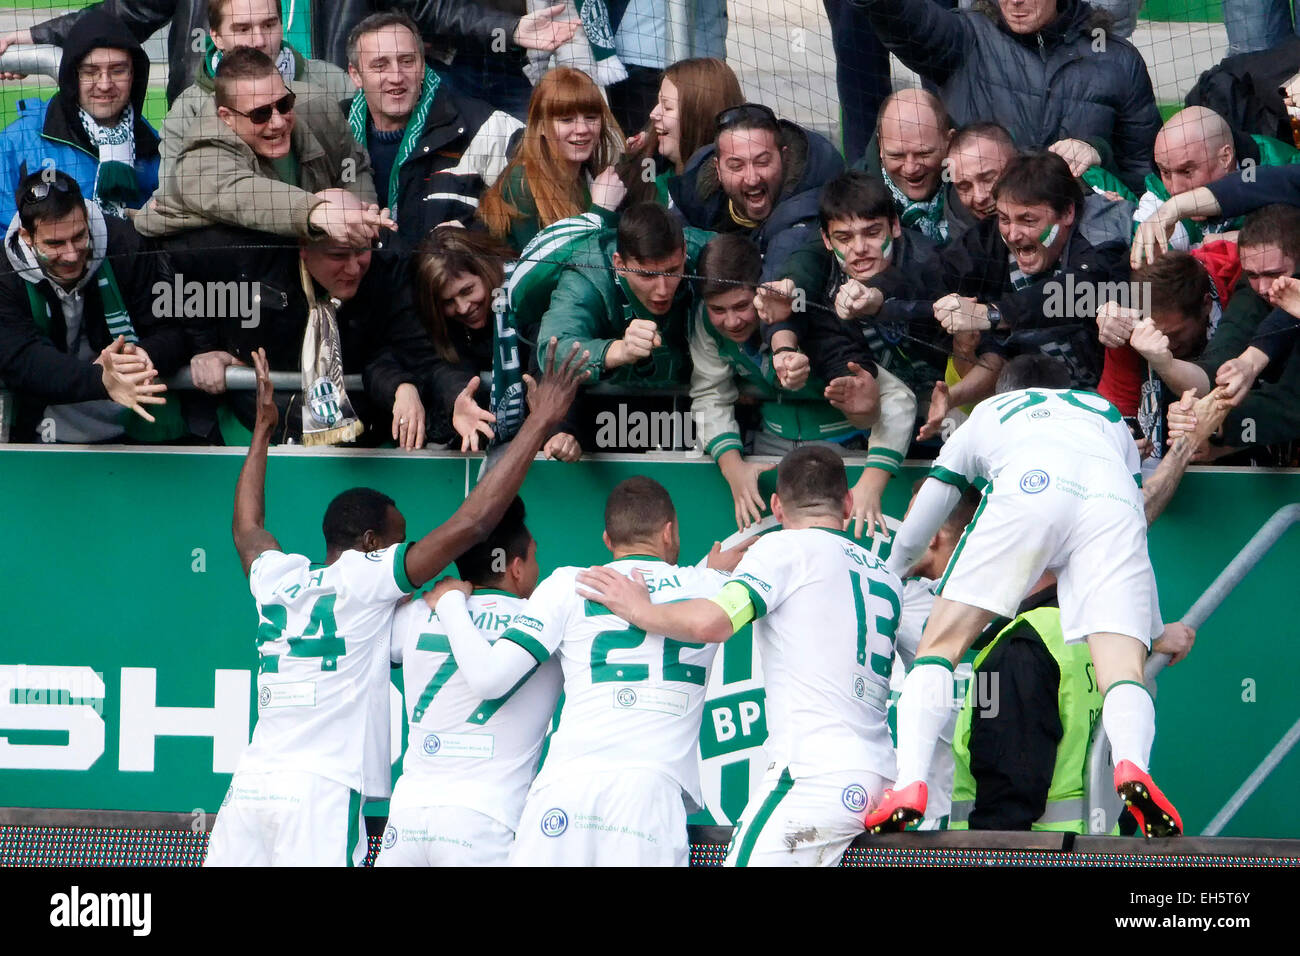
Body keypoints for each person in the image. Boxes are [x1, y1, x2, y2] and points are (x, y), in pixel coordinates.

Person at [203, 338, 587, 867]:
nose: (402, 557)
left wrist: (264, 431)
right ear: (367, 543)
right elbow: (472, 524)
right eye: (395, 540)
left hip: (249, 786)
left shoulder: (279, 578)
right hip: (320, 792)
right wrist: (538, 424)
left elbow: (247, 529)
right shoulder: (367, 578)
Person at [865, 354, 1229, 837]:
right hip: (1113, 505)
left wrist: (889, 572)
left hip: (1029, 490)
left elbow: (931, 508)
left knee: (940, 648)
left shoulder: (992, 413)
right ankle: (1133, 766)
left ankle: (910, 783)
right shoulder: (1104, 415)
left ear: (1003, 390)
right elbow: (1131, 521)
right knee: (1122, 672)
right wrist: (1156, 632)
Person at [576, 446, 903, 866]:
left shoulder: (782, 548)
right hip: (876, 778)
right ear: (848, 502)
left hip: (813, 775)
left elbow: (714, 622)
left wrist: (641, 610)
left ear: (776, 506)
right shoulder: (886, 575)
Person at [424, 476, 748, 866]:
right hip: (647, 797)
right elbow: (680, 597)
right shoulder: (713, 587)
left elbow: (490, 679)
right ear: (669, 532)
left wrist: (450, 604)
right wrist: (712, 573)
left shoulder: (567, 583)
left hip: (564, 792)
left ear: (608, 541)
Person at [376, 496, 562, 867]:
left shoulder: (414, 614)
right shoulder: (547, 624)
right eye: (533, 556)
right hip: (485, 821)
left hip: (408, 817)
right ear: (516, 568)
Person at [689, 232, 915, 536]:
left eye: (742, 306)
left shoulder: (812, 319)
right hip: (770, 450)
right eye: (719, 310)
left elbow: (898, 398)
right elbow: (708, 393)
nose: (731, 322)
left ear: (762, 293)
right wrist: (733, 469)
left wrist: (872, 483)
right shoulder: (705, 321)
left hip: (843, 451)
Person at [181, 189, 437, 448]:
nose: (352, 268)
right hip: (255, 430)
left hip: (363, 442)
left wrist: (402, 384)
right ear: (304, 247)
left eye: (361, 251)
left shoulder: (392, 264)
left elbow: (408, 352)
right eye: (337, 255)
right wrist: (208, 349)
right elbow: (180, 265)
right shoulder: (254, 256)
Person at [2, 0, 580, 106]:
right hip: (220, 121)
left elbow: (427, 6)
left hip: (329, 125)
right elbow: (123, 12)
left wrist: (507, 27)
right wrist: (29, 37)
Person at [850, 0, 1161, 195]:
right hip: (978, 248)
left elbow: (1145, 177)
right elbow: (907, 20)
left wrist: (1098, 154)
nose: (1015, 2)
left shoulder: (1117, 61)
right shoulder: (965, 37)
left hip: (1081, 253)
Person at [920, 151, 1132, 436]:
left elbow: (1080, 288)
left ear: (1067, 212)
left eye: (1028, 220)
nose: (1013, 233)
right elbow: (998, 351)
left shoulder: (1101, 230)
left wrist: (994, 313)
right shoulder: (1002, 253)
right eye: (1005, 219)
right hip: (1051, 416)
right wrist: (953, 397)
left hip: (1120, 412)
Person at [135, 46, 388, 246]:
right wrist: (317, 212)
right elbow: (247, 195)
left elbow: (353, 164)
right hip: (200, 271)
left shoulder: (319, 107)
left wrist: (362, 211)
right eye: (260, 114)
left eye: (284, 103)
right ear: (227, 117)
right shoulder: (202, 155)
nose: (277, 122)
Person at [0, 171, 184, 443]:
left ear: (87, 219)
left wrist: (141, 354)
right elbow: (22, 359)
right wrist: (101, 379)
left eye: (79, 236)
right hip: (45, 429)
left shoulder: (126, 243)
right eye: (55, 243)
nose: (72, 254)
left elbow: (175, 330)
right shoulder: (5, 273)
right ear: (27, 237)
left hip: (140, 424)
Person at [345, 12, 523, 243]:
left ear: (422, 65)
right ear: (356, 75)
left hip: (452, 274)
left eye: (407, 61)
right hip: (357, 276)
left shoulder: (483, 125)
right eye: (380, 65)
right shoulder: (334, 128)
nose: (396, 76)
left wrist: (471, 236)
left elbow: (535, 201)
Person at [411, 226, 581, 459]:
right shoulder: (439, 321)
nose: (462, 307)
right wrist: (457, 399)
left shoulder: (527, 292)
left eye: (467, 290)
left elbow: (545, 365)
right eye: (448, 301)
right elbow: (446, 367)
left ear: (485, 270)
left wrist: (557, 432)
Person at [158, 0, 355, 177]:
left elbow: (356, 167)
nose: (259, 41)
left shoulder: (335, 83)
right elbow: (172, 197)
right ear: (216, 37)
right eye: (243, 29)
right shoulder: (187, 110)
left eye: (269, 25)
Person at [0, 9, 160, 225]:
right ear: (72, 76)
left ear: (134, 75)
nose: (104, 84)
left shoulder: (151, 142)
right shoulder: (17, 142)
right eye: (90, 71)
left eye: (118, 70)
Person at [536, 200, 709, 389]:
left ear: (684, 253)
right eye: (647, 275)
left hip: (689, 390)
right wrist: (619, 350)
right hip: (600, 402)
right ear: (620, 265)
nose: (662, 289)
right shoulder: (587, 277)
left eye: (672, 271)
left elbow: (744, 267)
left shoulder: (703, 251)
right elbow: (551, 351)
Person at [669, 102, 844, 281]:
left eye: (762, 162)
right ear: (718, 169)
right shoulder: (696, 191)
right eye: (736, 166)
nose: (752, 179)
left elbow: (770, 292)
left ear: (784, 158)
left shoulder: (801, 210)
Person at [477, 66, 625, 252]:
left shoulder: (587, 174)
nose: (582, 129)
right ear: (541, 127)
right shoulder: (521, 183)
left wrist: (639, 157)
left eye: (591, 117)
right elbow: (551, 269)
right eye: (566, 120)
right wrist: (601, 211)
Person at [1134, 106, 1300, 252]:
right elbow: (1148, 275)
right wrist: (1158, 257)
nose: (1175, 188)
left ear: (1225, 157)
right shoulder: (1157, 193)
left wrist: (1250, 239)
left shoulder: (1282, 164)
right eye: (1165, 172)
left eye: (1186, 171)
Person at [621, 57, 744, 207]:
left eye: (667, 107)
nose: (653, 114)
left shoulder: (726, 200)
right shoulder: (652, 174)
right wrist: (633, 161)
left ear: (699, 117)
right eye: (658, 103)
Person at [856, 88, 952, 245]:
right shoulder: (856, 191)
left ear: (949, 141)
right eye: (897, 156)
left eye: (923, 154)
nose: (910, 168)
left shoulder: (979, 174)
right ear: (880, 146)